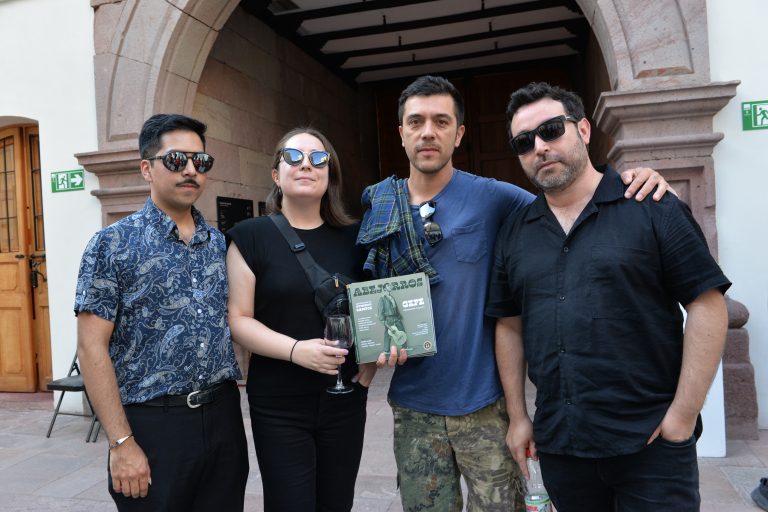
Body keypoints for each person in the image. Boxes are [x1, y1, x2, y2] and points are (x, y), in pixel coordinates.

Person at [357, 75, 673, 512]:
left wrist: (631, 179)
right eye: (416, 122)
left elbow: (570, 201)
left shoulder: (496, 198)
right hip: (413, 405)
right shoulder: (377, 205)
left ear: (459, 134)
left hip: (485, 405)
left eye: (441, 121)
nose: (428, 132)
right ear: (401, 133)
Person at [486, 82, 731, 511]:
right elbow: (509, 323)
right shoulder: (515, 232)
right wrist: (519, 416)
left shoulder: (651, 205)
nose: (539, 147)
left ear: (582, 129)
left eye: (550, 130)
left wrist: (682, 417)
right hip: (562, 445)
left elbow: (707, 303)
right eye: (524, 142)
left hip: (651, 445)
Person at [74, 113, 249, 511]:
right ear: (146, 169)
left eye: (200, 161)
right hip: (153, 424)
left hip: (223, 417)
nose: (190, 170)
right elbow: (91, 348)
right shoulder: (112, 245)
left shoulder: (220, 245)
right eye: (175, 160)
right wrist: (121, 442)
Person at [226, 127, 375, 511]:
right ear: (276, 175)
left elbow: (373, 307)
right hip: (279, 402)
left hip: (344, 398)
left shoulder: (356, 238)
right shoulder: (250, 236)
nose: (306, 164)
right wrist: (296, 350)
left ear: (329, 175)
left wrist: (372, 360)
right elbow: (239, 319)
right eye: (293, 157)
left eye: (318, 158)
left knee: (337, 503)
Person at [377, 283, 407, 348]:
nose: (390, 286)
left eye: (390, 285)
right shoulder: (382, 298)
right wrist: (382, 320)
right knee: (388, 334)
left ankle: (405, 347)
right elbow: (380, 310)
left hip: (396, 317)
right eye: (388, 286)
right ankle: (386, 350)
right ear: (384, 289)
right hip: (389, 318)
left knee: (402, 331)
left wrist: (399, 315)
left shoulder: (392, 297)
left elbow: (395, 307)